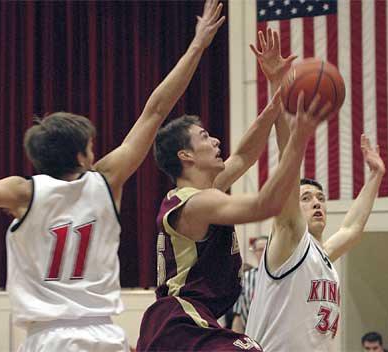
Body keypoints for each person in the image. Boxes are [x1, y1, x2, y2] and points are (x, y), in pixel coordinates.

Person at [0, 1, 226, 350]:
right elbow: (155, 110)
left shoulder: (23, 193)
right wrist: (197, 44)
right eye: (91, 146)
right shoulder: (106, 181)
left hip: (49, 339)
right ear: (82, 154)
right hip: (104, 336)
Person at [136, 26, 332, 352]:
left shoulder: (208, 189)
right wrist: (297, 139)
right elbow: (263, 205)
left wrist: (277, 94)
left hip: (193, 320)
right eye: (203, 137)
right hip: (179, 322)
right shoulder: (196, 203)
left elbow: (243, 155)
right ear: (185, 155)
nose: (215, 141)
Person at [245, 28, 386, 352]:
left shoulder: (321, 254)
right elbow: (286, 162)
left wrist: (375, 177)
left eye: (321, 198)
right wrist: (277, 84)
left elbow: (351, 228)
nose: (317, 202)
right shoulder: (290, 236)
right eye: (306, 198)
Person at [232, 236, 268, 334]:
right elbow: (238, 313)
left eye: (266, 248)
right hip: (251, 333)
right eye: (260, 250)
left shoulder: (280, 276)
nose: (263, 252)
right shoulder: (246, 277)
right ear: (255, 252)